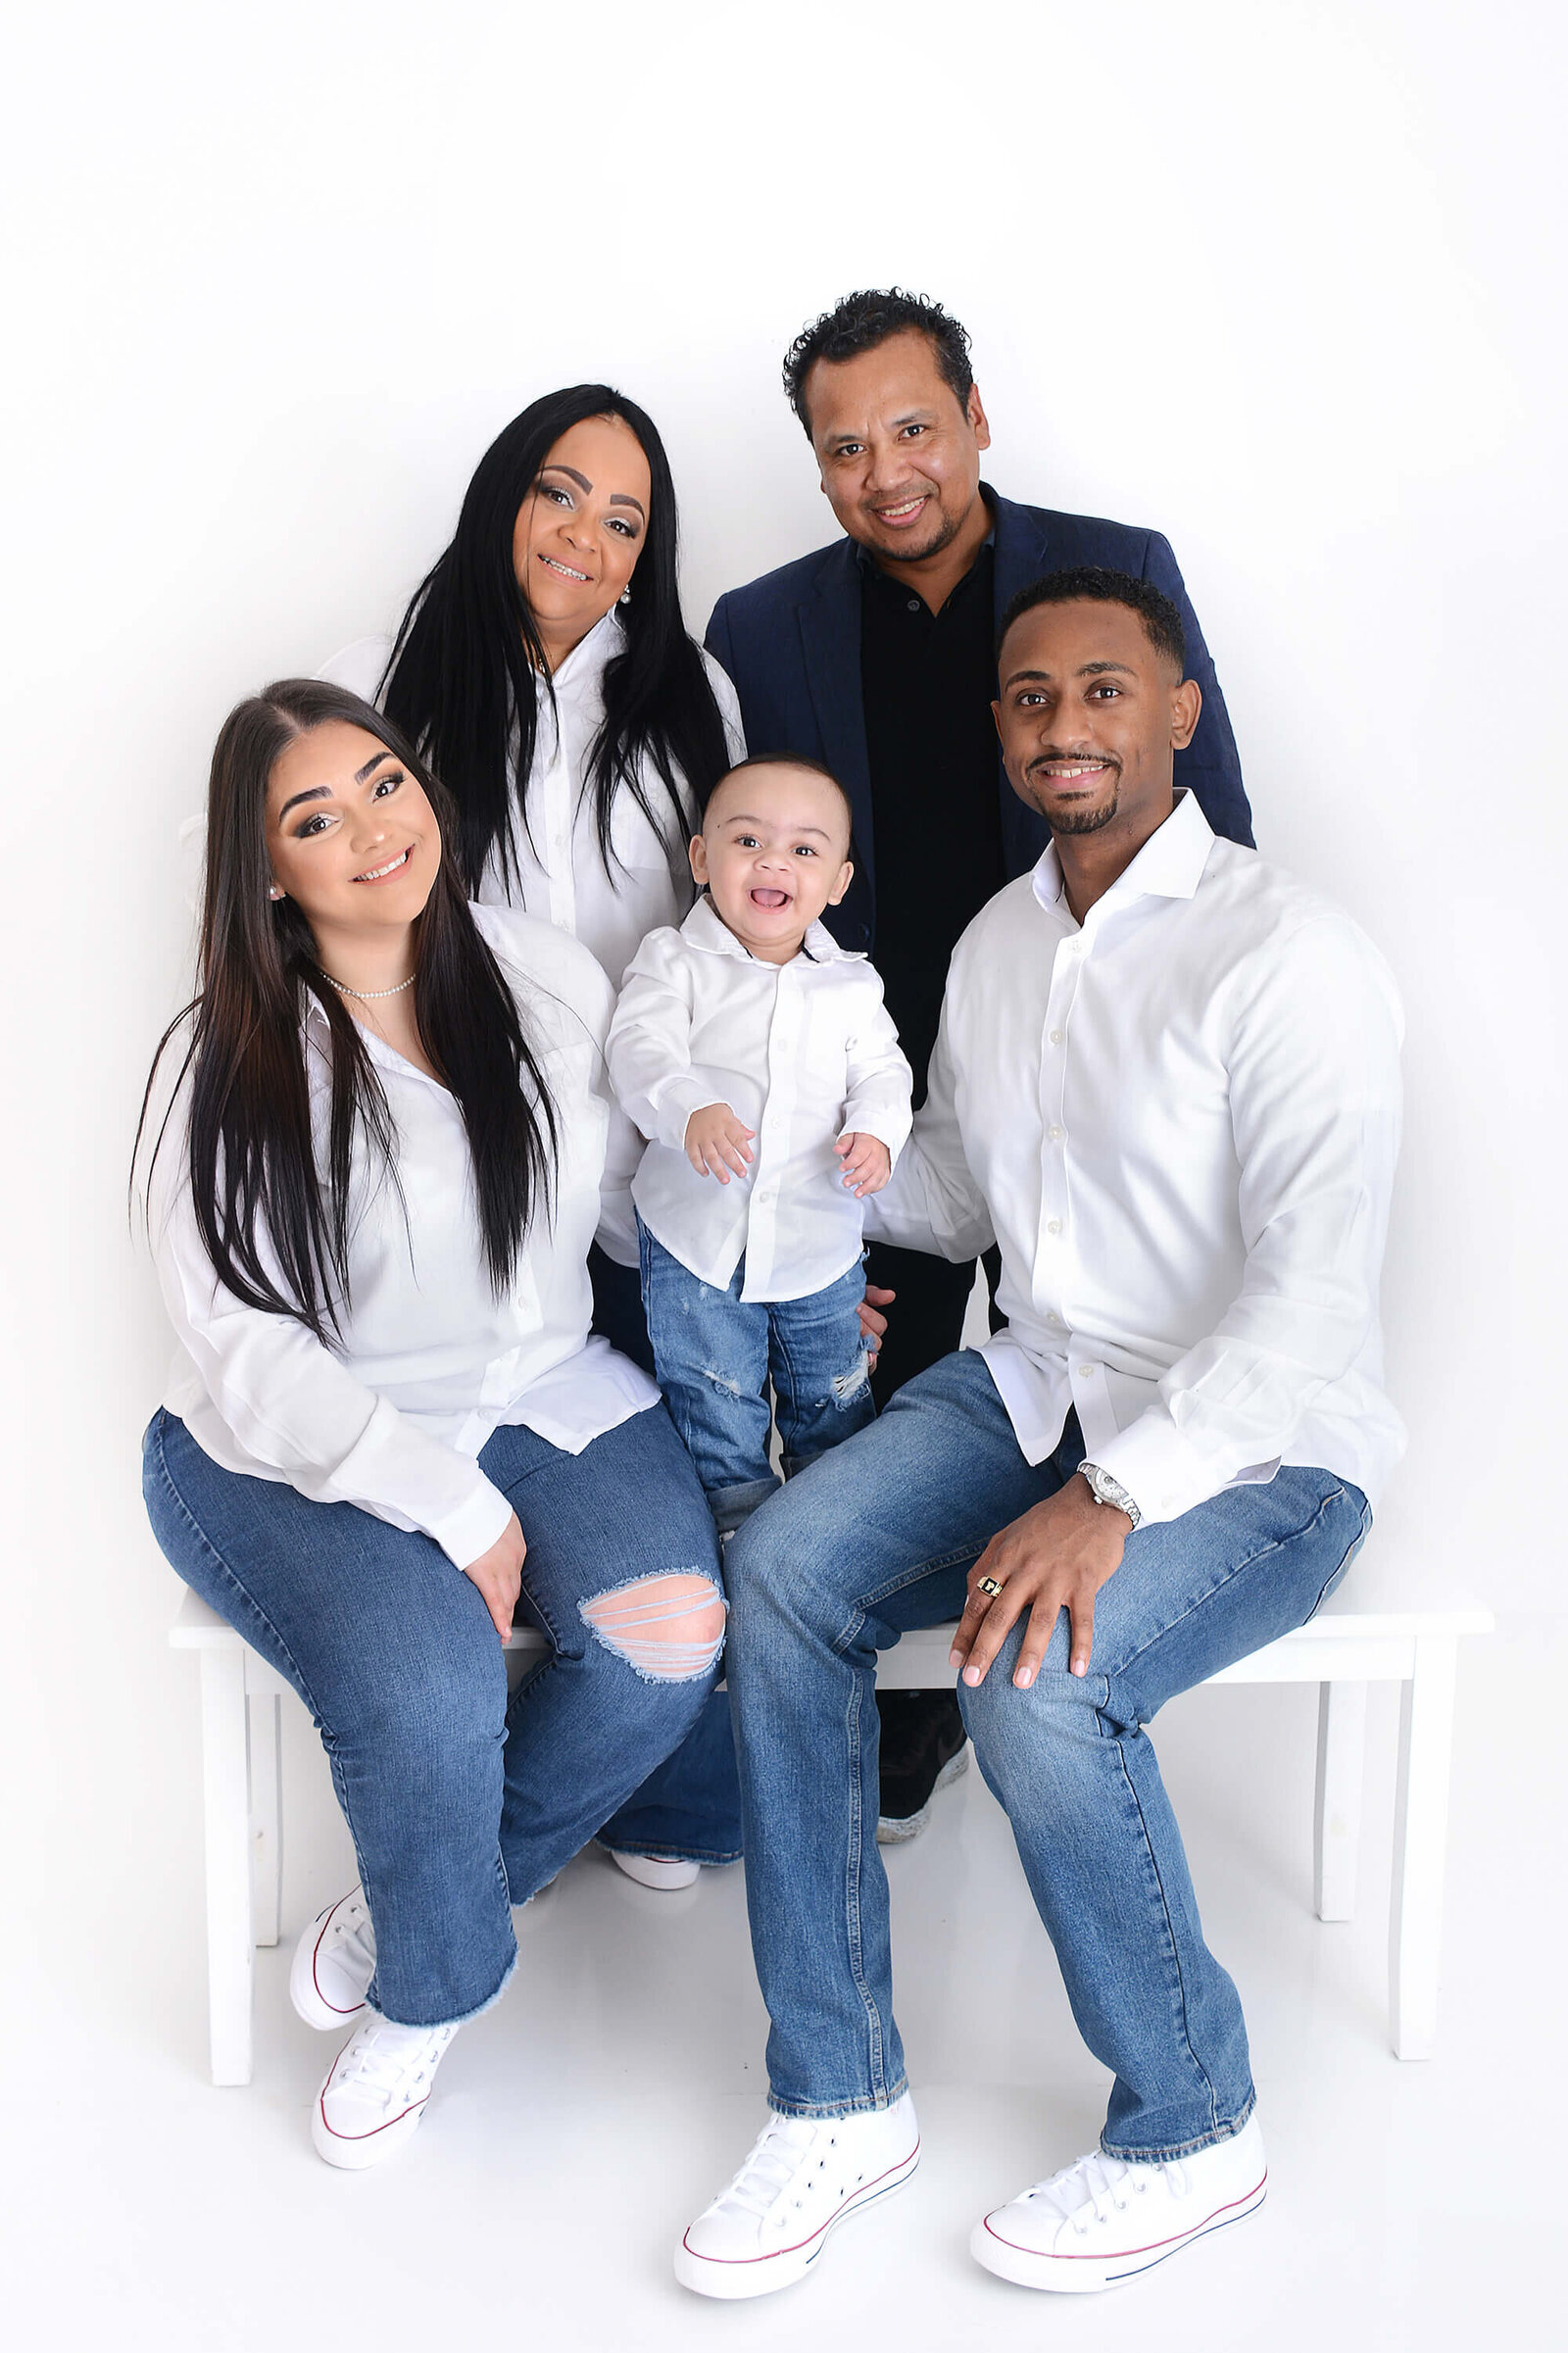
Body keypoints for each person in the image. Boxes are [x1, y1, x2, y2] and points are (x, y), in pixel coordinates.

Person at [675, 568, 1402, 2300]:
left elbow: (1310, 1297)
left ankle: (1192, 2117)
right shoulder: (1001, 943)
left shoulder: (1289, 950)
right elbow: (949, 1184)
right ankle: (839, 2091)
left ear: (1176, 713)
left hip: (1261, 1445)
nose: (1061, 722)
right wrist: (807, 1235)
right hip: (1041, 1384)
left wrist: (1114, 1497)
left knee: (1036, 1675)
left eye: (1100, 689)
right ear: (999, 731)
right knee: (781, 1566)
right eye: (1026, 697)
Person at [139, 680, 729, 2170]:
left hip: (536, 1385)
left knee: (671, 1631)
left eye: (385, 782)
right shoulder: (227, 1051)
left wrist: (770, 1271)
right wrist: (450, 1506)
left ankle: (431, 1885)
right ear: (269, 868)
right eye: (314, 817)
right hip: (291, 1443)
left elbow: (613, 1201)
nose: (371, 829)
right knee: (427, 1684)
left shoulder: (538, 977)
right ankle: (431, 1987)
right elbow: (234, 1336)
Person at [706, 289, 1255, 1839]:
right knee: (873, 1397)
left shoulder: (1113, 571)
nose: (888, 470)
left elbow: (1215, 834)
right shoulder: (763, 625)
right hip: (883, 1079)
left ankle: (1031, 1664)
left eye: (914, 429)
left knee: (1092, 1350)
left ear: (976, 420)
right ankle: (888, 1706)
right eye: (846, 446)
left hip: (1071, 1043)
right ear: (817, 466)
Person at [319, 385, 748, 1889]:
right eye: (561, 494)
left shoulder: (691, 702)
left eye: (624, 518)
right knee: (523, 1511)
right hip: (492, 1193)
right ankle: (474, 1859)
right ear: (508, 500)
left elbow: (740, 939)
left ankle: (655, 1801)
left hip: (663, 1181)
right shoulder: (419, 700)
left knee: (707, 1497)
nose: (586, 535)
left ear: (647, 555)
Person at [609, 756, 911, 1532]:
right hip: (697, 1238)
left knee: (832, 1389)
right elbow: (639, 1048)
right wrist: (689, 1107)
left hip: (818, 1241)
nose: (774, 861)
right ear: (703, 859)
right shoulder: (674, 961)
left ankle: (830, 1528)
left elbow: (885, 1070)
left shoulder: (851, 985)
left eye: (805, 850)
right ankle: (734, 1517)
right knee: (714, 1390)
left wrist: (876, 1128)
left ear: (838, 882)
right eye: (748, 840)